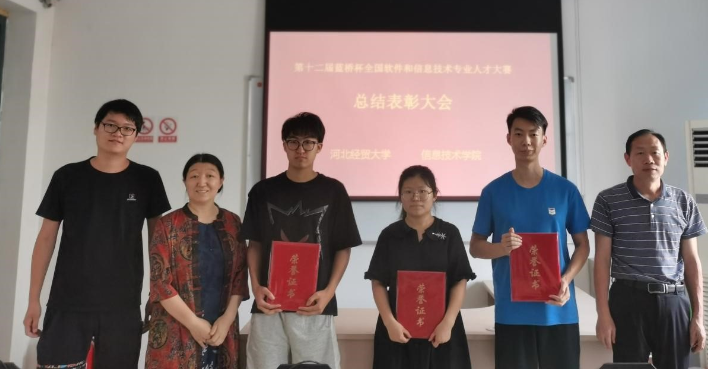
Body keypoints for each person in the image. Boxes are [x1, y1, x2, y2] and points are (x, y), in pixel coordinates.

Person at [23, 99, 171, 368]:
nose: (118, 133)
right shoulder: (67, 176)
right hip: (67, 302)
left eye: (127, 128)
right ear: (96, 128)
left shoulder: (147, 179)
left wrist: (157, 292)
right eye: (110, 125)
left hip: (122, 306)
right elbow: (45, 239)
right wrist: (33, 300)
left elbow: (157, 243)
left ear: (136, 135)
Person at [469, 106, 591, 369]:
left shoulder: (565, 190)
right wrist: (501, 248)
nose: (526, 141)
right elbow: (476, 247)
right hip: (512, 313)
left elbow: (583, 245)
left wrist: (566, 279)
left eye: (533, 134)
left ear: (544, 139)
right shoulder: (493, 192)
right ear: (508, 139)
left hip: (558, 310)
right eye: (518, 134)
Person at [242, 112, 362, 369]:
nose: (301, 149)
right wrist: (256, 286)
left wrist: (329, 292)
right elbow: (255, 245)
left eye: (308, 142)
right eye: (294, 142)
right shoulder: (263, 191)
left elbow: (343, 247)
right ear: (284, 145)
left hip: (314, 304)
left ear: (319, 147)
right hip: (270, 303)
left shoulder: (334, 191)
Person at [591, 129, 707, 369]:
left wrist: (698, 317)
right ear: (628, 159)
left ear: (666, 157)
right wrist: (603, 314)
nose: (649, 159)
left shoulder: (684, 201)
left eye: (655, 153)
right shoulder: (608, 200)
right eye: (640, 153)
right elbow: (602, 260)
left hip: (674, 300)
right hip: (628, 299)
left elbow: (692, 261)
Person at [365, 165, 476, 369]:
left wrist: (448, 323)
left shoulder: (449, 233)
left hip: (441, 331)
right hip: (398, 331)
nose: (415, 197)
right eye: (408, 191)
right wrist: (389, 323)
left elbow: (460, 280)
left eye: (422, 191)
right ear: (401, 196)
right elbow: (378, 281)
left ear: (434, 195)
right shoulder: (390, 235)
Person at [146, 153, 248, 369]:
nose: (202, 182)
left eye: (210, 176)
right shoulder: (167, 225)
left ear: (221, 181)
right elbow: (160, 283)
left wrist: (227, 320)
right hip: (176, 327)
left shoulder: (233, 223)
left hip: (221, 329)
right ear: (185, 181)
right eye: (194, 176)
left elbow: (240, 276)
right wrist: (193, 323)